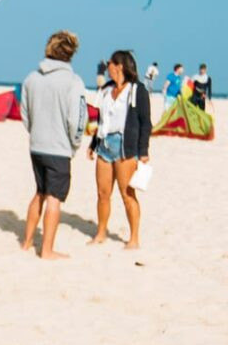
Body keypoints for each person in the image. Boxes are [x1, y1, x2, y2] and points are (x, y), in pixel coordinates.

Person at [20, 30, 87, 260]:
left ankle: (27, 243)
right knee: (53, 198)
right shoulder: (73, 82)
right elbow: (78, 120)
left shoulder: (31, 78)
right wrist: (75, 144)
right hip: (59, 148)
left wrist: (36, 133)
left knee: (39, 192)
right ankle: (47, 250)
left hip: (36, 146)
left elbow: (25, 115)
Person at [88, 50, 152, 249]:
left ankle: (134, 238)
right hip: (104, 145)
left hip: (125, 146)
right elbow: (101, 119)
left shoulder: (137, 90)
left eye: (109, 63)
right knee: (103, 193)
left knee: (127, 194)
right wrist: (93, 144)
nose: (107, 66)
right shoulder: (106, 89)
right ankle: (101, 233)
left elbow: (146, 123)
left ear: (119, 66)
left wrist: (143, 151)